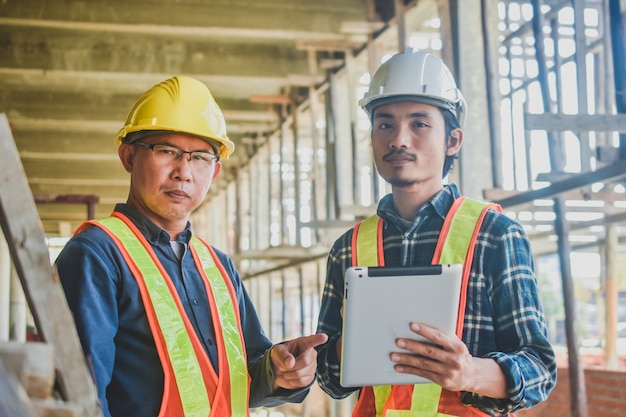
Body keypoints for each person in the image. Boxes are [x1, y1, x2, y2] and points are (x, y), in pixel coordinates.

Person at [55, 75, 328, 417]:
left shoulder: (218, 266)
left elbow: (240, 382)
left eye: (200, 157)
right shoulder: (97, 254)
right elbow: (82, 396)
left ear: (214, 172)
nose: (183, 172)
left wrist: (281, 372)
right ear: (128, 157)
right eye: (167, 151)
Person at [316, 48, 556, 416]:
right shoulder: (348, 248)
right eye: (385, 124)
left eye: (419, 124)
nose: (399, 139)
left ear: (453, 140)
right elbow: (330, 378)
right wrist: (333, 351)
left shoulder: (494, 235)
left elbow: (539, 369)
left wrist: (472, 372)